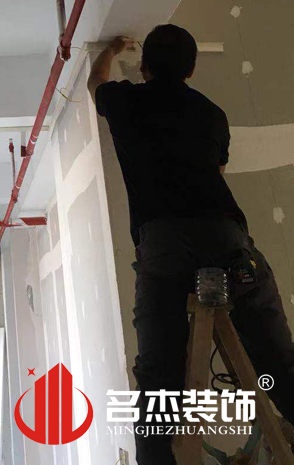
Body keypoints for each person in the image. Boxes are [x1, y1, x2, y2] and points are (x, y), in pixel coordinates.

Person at [87, 24, 294, 465]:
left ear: (144, 67)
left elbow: (94, 82)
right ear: (191, 70)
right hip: (227, 238)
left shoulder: (125, 101)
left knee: (159, 381)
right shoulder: (211, 114)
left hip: (165, 246)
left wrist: (111, 49)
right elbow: (217, 173)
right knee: (277, 362)